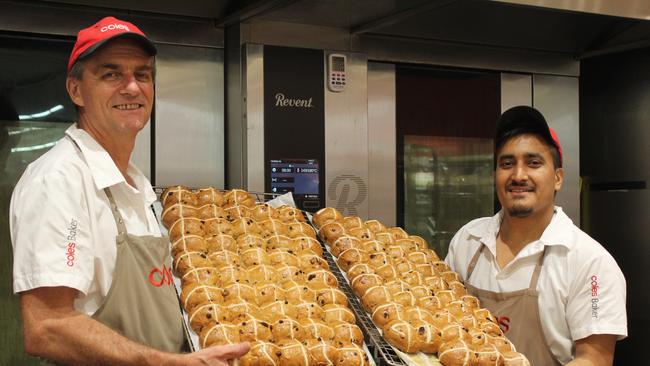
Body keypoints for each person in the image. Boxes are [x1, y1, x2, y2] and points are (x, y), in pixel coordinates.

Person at [10, 16, 250, 365]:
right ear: (76, 90)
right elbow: (47, 326)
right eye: (111, 74)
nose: (132, 87)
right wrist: (165, 362)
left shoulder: (138, 186)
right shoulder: (59, 180)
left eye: (142, 74)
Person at [445, 106, 627, 365]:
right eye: (507, 164)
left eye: (533, 162)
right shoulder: (468, 240)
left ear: (558, 178)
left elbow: (594, 358)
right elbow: (442, 317)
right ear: (495, 176)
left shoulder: (590, 263)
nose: (518, 175)